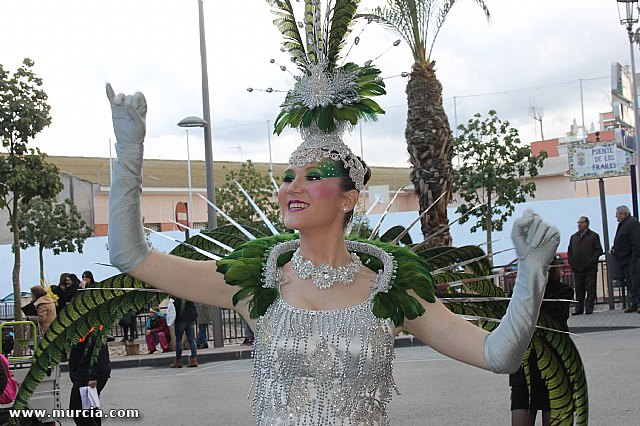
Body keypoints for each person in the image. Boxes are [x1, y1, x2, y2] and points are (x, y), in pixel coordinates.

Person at [104, 6, 559, 421]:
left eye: (313, 175)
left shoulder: (392, 288)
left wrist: (530, 272)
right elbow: (131, 256)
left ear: (348, 199)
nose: (292, 187)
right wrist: (129, 152)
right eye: (288, 175)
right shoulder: (255, 282)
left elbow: (499, 355)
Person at [509, 259, 574, 425]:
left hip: (554, 369)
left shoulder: (563, 292)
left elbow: (547, 325)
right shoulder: (517, 294)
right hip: (524, 371)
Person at [68, 325, 111, 426]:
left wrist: (94, 377)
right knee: (90, 409)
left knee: (78, 409)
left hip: (87, 374)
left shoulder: (93, 329)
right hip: (84, 373)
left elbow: (100, 353)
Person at [567, 216, 603, 315]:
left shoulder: (593, 236)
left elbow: (598, 250)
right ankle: (578, 309)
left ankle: (589, 308)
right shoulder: (574, 237)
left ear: (587, 223)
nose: (579, 224)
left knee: (590, 288)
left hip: (590, 268)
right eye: (578, 222)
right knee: (579, 289)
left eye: (581, 222)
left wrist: (592, 260)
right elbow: (570, 251)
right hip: (577, 268)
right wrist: (572, 262)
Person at [611, 205, 640, 313]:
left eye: (617, 214)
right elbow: (622, 239)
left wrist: (634, 256)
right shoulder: (624, 224)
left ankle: (638, 303)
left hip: (632, 258)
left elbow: (636, 241)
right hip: (625, 259)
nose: (616, 216)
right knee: (630, 282)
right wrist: (615, 248)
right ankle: (634, 303)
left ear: (623, 214)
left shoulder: (632, 223)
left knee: (636, 281)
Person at [170, 298, 198, 368]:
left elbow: (176, 308)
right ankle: (194, 359)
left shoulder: (178, 297)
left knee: (179, 340)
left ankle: (178, 360)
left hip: (181, 319)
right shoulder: (188, 295)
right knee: (191, 340)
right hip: (191, 318)